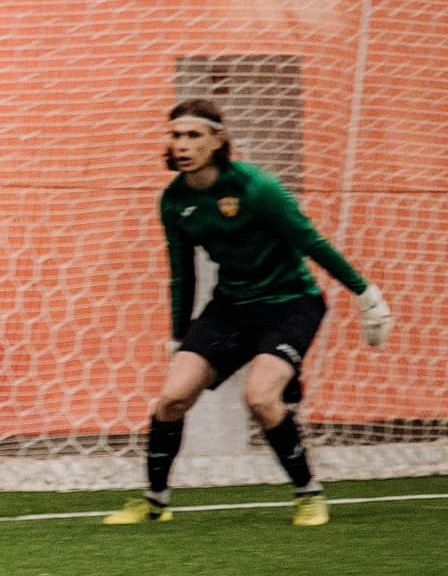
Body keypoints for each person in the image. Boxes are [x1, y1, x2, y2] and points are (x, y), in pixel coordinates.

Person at [103, 98, 391, 529]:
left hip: (291, 303)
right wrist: (179, 337)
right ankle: (155, 501)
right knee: (172, 398)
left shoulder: (257, 188)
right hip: (231, 308)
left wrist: (366, 296)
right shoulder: (174, 201)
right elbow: (181, 275)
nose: (182, 144)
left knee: (259, 398)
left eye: (193, 135)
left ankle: (308, 493)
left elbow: (311, 242)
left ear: (217, 140)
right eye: (175, 135)